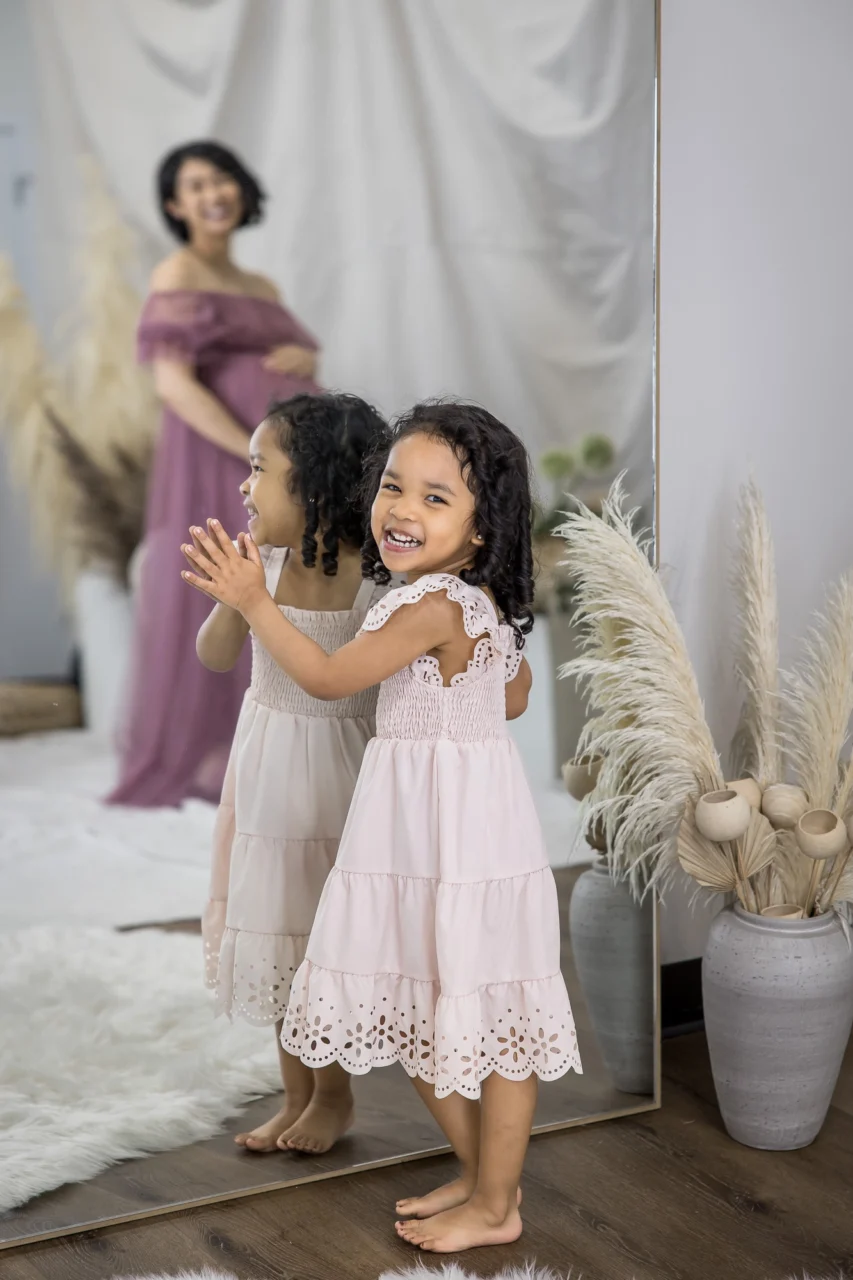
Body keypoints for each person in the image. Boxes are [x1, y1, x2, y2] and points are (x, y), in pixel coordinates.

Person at [181, 400, 582, 1253]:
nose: (402, 507)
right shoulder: (471, 601)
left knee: (467, 1014)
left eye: (436, 498)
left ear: (480, 529)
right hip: (453, 830)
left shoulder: (427, 605)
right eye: (394, 486)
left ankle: (496, 1197)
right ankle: (482, 1184)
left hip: (438, 836)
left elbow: (328, 679)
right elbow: (511, 697)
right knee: (439, 1009)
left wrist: (255, 602)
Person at [192, 392, 392, 1154]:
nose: (243, 487)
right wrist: (231, 599)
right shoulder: (264, 565)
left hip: (336, 786)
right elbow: (215, 657)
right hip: (265, 775)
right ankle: (294, 1095)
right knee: (274, 937)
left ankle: (333, 1097)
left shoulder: (377, 585)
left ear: (312, 487)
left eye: (257, 470)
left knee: (320, 943)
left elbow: (347, 682)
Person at [108, 140, 321, 808]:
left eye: (221, 178)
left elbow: (276, 359)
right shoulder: (175, 272)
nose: (213, 193)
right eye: (194, 185)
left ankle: (282, 739)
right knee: (232, 591)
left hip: (281, 463)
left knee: (288, 586)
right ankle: (215, 751)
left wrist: (302, 361)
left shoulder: (264, 288)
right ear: (176, 206)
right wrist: (249, 452)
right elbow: (175, 386)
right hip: (219, 461)